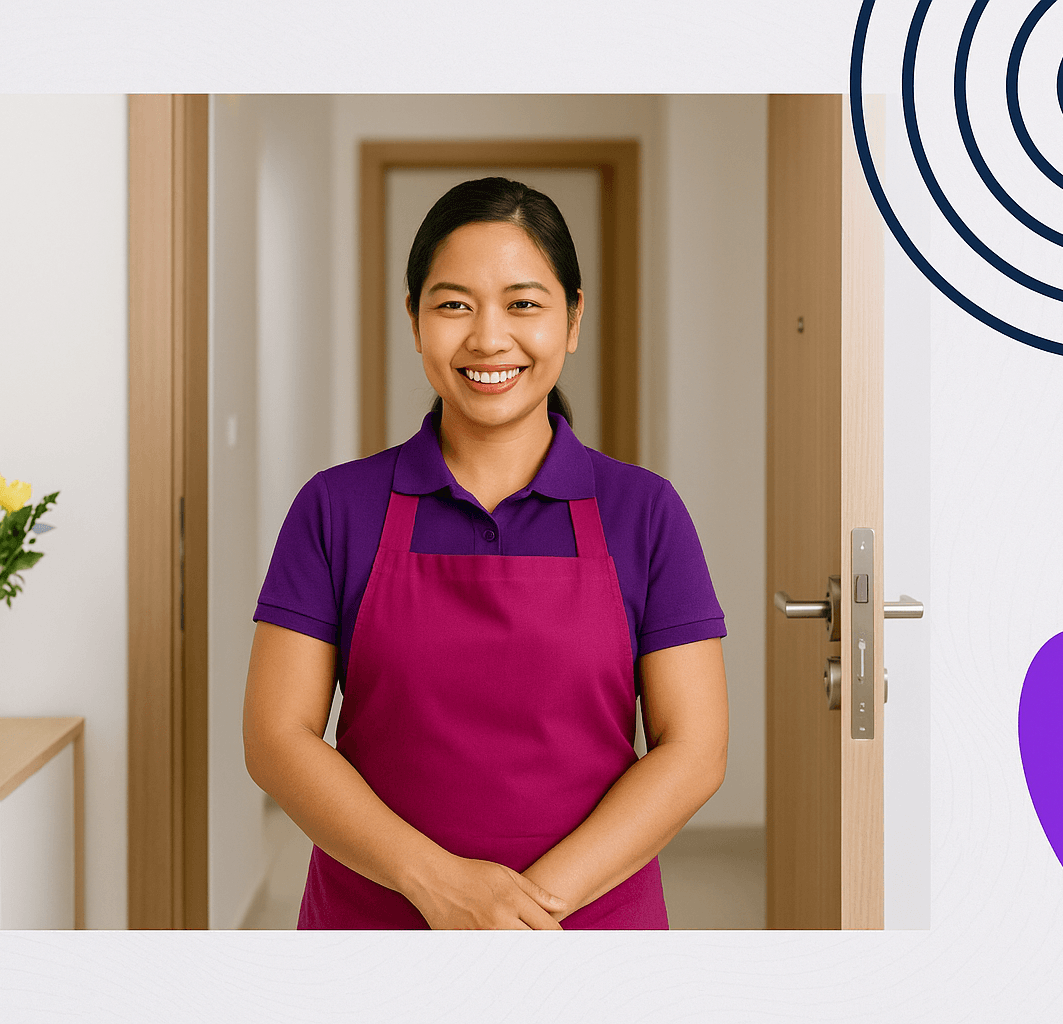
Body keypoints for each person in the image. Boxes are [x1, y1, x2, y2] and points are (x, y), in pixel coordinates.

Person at [243, 176, 728, 930]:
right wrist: (439, 885)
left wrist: (529, 910)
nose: (488, 338)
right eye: (454, 304)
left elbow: (693, 748)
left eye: (524, 303)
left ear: (573, 319)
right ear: (414, 320)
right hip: (376, 923)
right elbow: (278, 739)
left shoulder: (645, 513)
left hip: (586, 927)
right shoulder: (336, 508)